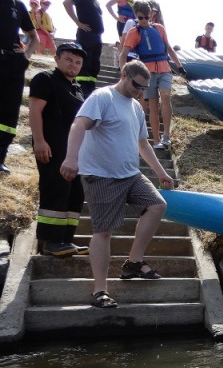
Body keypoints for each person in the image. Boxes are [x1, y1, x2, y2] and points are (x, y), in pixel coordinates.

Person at [59, 60, 175, 309]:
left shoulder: (135, 106)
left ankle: (133, 262)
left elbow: (143, 144)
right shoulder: (102, 97)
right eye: (136, 85)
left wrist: (161, 173)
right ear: (123, 74)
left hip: (130, 174)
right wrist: (71, 157)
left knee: (157, 205)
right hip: (100, 175)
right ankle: (100, 290)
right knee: (103, 231)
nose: (139, 91)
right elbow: (79, 124)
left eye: (143, 88)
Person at [29, 42, 88, 256]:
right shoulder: (45, 79)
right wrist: (39, 141)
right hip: (52, 148)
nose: (73, 64)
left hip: (74, 152)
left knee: (74, 193)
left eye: (78, 62)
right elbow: (35, 111)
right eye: (69, 59)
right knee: (56, 190)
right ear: (57, 58)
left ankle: (65, 240)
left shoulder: (77, 88)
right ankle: (51, 241)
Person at [120, 0, 187, 150]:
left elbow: (169, 48)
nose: (144, 20)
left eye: (146, 17)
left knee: (165, 94)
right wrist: (124, 72)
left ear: (151, 15)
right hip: (148, 72)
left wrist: (180, 66)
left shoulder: (159, 28)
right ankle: (156, 140)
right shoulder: (134, 32)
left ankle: (166, 136)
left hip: (164, 68)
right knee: (152, 105)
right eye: (140, 17)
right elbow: (123, 55)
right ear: (136, 16)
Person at [0, 0, 38, 176]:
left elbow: (34, 38)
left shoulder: (18, 5)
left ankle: (0, 157)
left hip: (13, 66)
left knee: (8, 115)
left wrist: (25, 56)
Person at [63, 0, 104, 98]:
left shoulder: (96, 1)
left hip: (97, 36)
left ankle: (90, 89)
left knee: (94, 64)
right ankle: (81, 89)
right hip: (86, 34)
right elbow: (67, 3)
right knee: (84, 62)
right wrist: (77, 22)